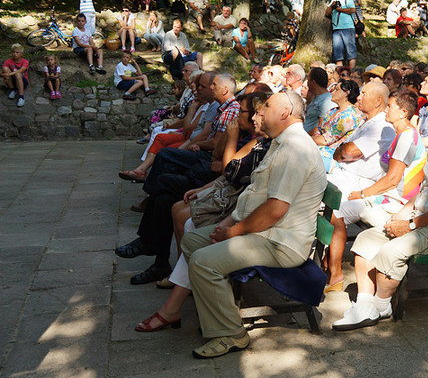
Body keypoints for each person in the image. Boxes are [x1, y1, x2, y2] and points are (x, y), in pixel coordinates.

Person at [180, 91, 325, 358]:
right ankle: (220, 310)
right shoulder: (280, 143)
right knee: (191, 241)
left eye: (266, 106)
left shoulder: (296, 148)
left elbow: (275, 209)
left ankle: (231, 334)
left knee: (202, 261)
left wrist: (233, 232)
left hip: (281, 242)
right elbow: (254, 194)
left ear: (284, 112)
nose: (260, 112)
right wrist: (227, 223)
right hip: (266, 234)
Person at [332, 104, 428, 330]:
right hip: (425, 222)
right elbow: (422, 196)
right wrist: (400, 216)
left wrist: (410, 225)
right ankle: (364, 306)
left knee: (392, 250)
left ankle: (381, 305)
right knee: (366, 239)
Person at [133, 94, 270, 332]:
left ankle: (174, 280)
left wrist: (232, 135)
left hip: (235, 199)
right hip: (224, 187)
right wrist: (229, 135)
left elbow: (229, 171)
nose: (240, 116)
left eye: (246, 113)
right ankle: (173, 272)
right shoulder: (256, 140)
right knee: (172, 201)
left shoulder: (264, 144)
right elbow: (220, 159)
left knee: (179, 209)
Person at [325, 90, 426, 292]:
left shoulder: (406, 137)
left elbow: (392, 179)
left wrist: (363, 193)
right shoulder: (400, 133)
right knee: (335, 211)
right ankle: (330, 270)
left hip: (398, 204)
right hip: (388, 197)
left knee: (337, 212)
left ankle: (334, 274)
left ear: (403, 112)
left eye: (390, 106)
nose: (386, 110)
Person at [313, 79, 363, 171]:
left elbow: (326, 140)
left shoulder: (348, 117)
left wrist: (306, 140)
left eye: (337, 89)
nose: (332, 92)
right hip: (318, 146)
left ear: (346, 93)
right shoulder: (333, 110)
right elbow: (319, 131)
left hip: (330, 155)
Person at [325, 0, 357, 68]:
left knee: (351, 51)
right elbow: (327, 13)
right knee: (337, 53)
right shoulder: (333, 1)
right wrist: (331, 6)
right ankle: (340, 73)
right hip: (336, 29)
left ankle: (352, 73)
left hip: (348, 28)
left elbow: (353, 10)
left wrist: (340, 9)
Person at [304, 67, 336, 134]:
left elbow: (322, 128)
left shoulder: (327, 101)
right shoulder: (317, 97)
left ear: (313, 82)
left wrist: (304, 136)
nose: (307, 83)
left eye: (308, 80)